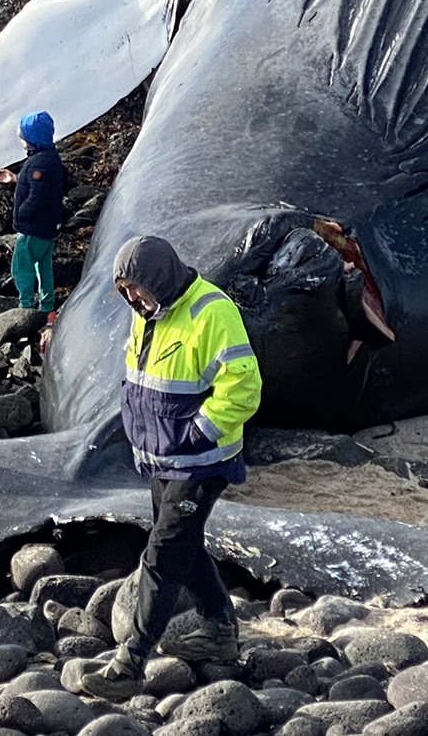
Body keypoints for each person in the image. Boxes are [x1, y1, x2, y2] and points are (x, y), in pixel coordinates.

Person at [81, 236, 262, 701]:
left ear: (160, 280)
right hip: (162, 457)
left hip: (200, 461)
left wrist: (199, 432)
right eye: (124, 292)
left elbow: (244, 385)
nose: (131, 300)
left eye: (136, 290)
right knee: (183, 544)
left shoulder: (212, 312)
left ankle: (130, 662)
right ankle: (218, 627)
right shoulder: (148, 312)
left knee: (162, 555)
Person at [0, 111, 66, 316]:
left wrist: (22, 214)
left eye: (24, 137)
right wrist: (16, 179)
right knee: (44, 268)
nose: (22, 141)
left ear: (33, 139)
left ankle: (26, 307)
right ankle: (47, 306)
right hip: (47, 228)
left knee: (21, 267)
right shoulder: (49, 157)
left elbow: (38, 196)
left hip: (33, 229)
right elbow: (41, 185)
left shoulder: (38, 164)